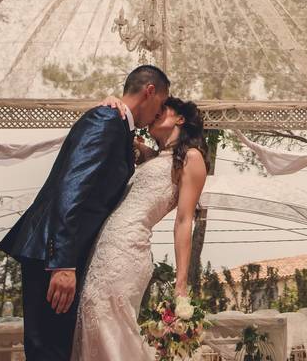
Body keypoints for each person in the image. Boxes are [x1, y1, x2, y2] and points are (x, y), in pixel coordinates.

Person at [0, 65, 170, 361]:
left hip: (67, 255)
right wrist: (62, 264)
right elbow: (72, 186)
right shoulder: (106, 119)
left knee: (60, 349)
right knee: (48, 352)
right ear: (149, 91)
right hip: (52, 255)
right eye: (161, 102)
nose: (159, 112)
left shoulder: (118, 126)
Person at [71, 97, 209, 360]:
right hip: (105, 244)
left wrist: (181, 285)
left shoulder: (192, 158)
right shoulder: (154, 157)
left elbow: (183, 221)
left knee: (106, 320)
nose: (156, 113)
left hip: (128, 247)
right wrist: (115, 102)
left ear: (180, 118)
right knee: (92, 316)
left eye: (163, 109)